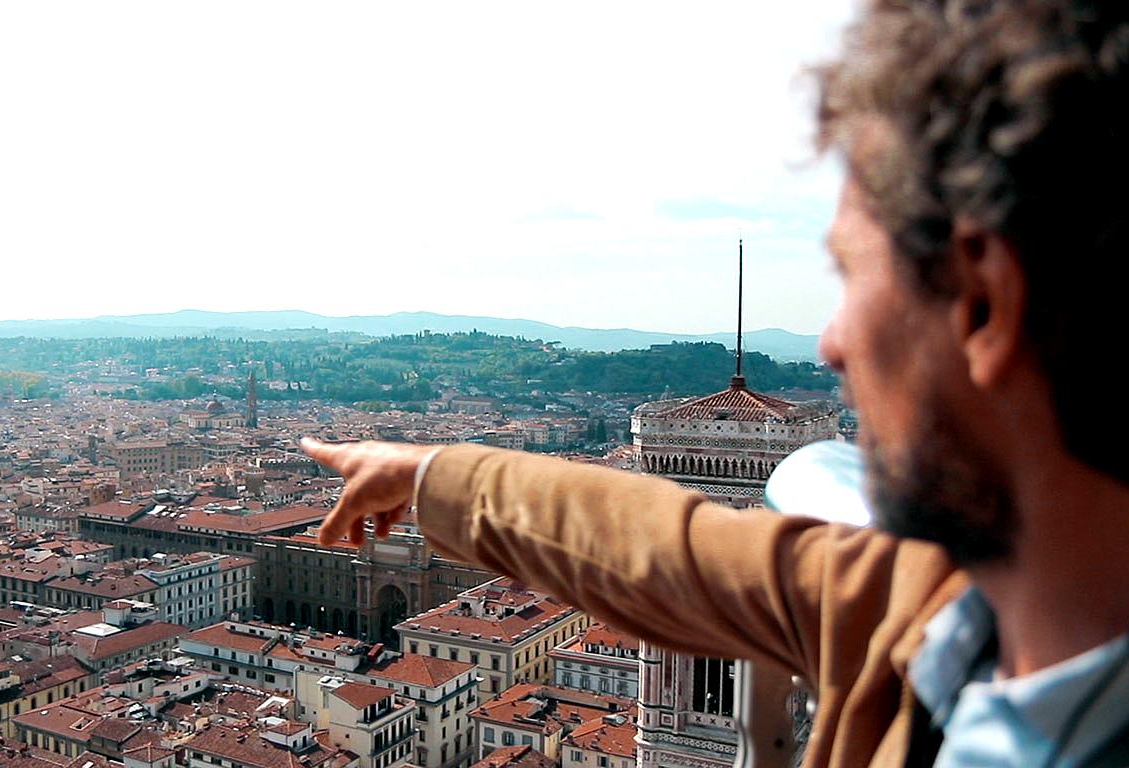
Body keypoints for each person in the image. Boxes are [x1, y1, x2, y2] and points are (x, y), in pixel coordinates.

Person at [302, 1, 1129, 765]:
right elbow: (666, 552)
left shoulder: (909, 608)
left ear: (985, 304)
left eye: (851, 276)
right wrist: (430, 476)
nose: (830, 345)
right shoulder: (931, 601)